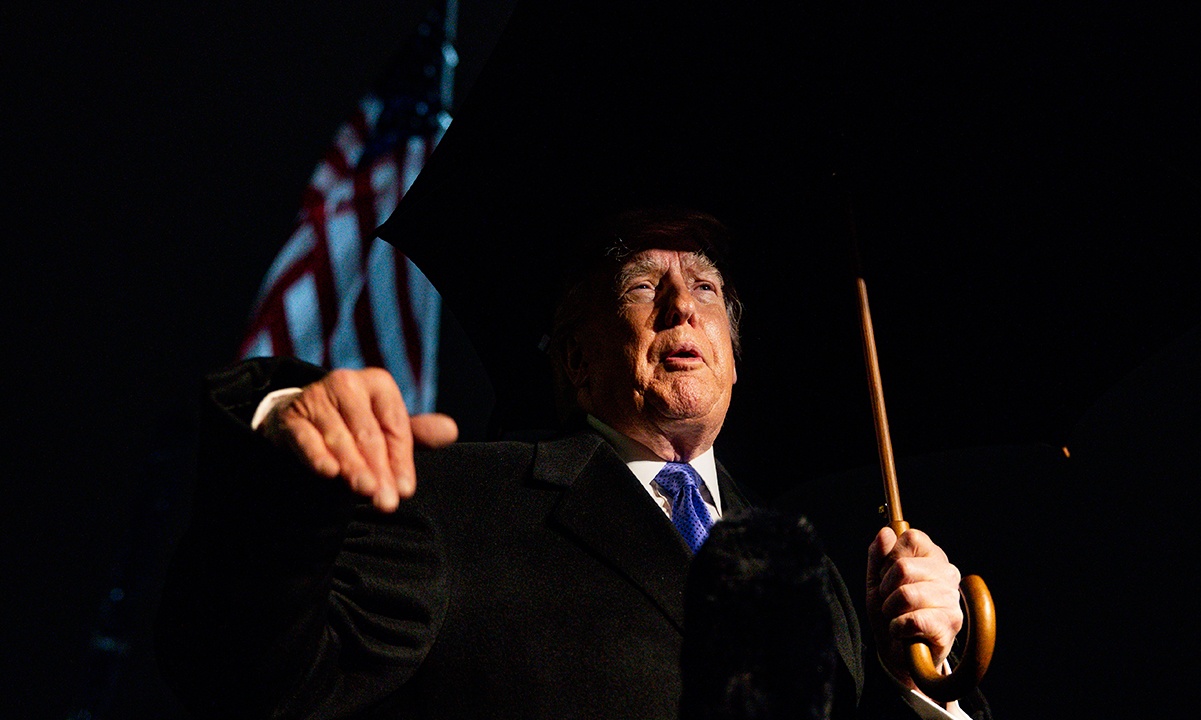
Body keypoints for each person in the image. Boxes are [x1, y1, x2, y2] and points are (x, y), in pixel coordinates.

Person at [157, 209, 990, 719]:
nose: (681, 305)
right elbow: (251, 680)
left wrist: (923, 682)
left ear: (734, 360)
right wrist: (286, 474)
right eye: (642, 286)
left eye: (705, 287)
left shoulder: (819, 582)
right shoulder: (459, 498)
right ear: (578, 362)